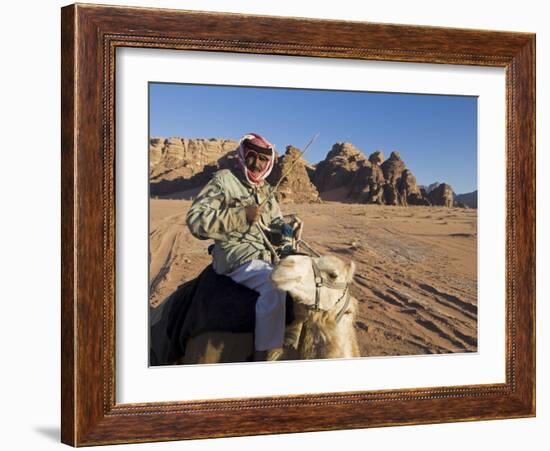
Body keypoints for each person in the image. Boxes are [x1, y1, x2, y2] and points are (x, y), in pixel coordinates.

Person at [186, 132, 287, 361]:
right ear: (243, 155)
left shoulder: (267, 191)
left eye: (263, 159)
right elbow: (196, 220)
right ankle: (264, 357)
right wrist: (241, 215)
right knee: (275, 287)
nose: (257, 164)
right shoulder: (224, 180)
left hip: (267, 256)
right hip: (236, 256)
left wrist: (285, 230)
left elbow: (275, 223)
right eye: (252, 156)